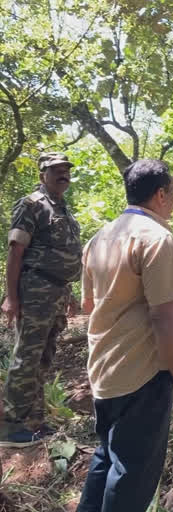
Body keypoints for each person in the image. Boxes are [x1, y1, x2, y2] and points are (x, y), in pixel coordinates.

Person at [77, 159, 173, 512]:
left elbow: (87, 304)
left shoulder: (100, 237)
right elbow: (164, 317)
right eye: (172, 193)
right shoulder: (156, 239)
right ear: (161, 194)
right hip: (142, 374)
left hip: (103, 369)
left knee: (108, 456)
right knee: (132, 474)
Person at [0, 152, 82, 447]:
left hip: (57, 293)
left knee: (44, 358)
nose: (63, 174)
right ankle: (9, 427)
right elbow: (16, 252)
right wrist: (12, 297)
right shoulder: (31, 204)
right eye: (56, 170)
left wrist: (68, 294)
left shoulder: (62, 208)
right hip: (35, 292)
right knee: (26, 357)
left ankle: (33, 422)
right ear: (42, 174)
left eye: (66, 170)